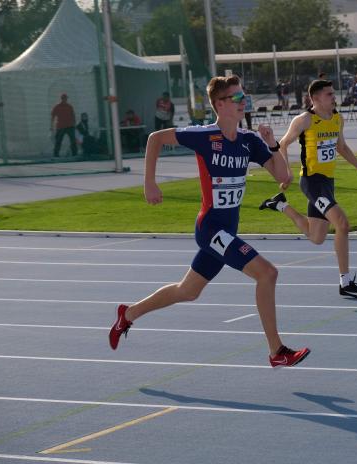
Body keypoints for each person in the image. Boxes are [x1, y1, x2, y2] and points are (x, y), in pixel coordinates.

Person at [109, 74, 310, 368]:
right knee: (267, 274)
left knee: (187, 291)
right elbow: (155, 139)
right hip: (210, 230)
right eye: (238, 98)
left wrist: (273, 145)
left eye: (245, 97)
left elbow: (283, 177)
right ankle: (276, 350)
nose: (245, 102)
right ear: (219, 104)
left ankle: (128, 314)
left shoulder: (249, 140)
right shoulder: (204, 136)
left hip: (227, 230)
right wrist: (149, 183)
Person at [258, 79, 357, 299]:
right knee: (342, 223)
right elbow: (282, 144)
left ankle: (280, 205)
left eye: (333, 93)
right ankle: (345, 282)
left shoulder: (337, 118)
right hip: (312, 182)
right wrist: (287, 173)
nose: (334, 97)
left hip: (328, 183)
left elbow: (342, 147)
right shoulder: (304, 120)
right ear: (316, 98)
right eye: (329, 94)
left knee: (317, 237)